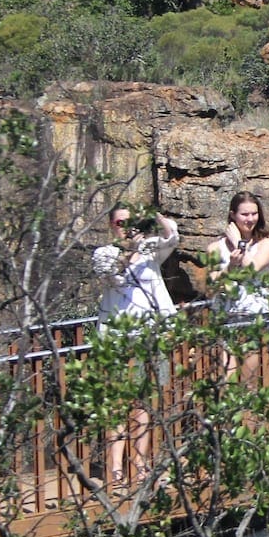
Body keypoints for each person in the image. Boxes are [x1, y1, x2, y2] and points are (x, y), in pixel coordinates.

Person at [92, 204, 179, 484]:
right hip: (116, 339)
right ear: (111, 225)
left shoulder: (150, 250)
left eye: (130, 223)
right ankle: (115, 468)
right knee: (116, 404)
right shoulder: (103, 254)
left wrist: (153, 216)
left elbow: (172, 237)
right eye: (120, 223)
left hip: (148, 336)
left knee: (143, 404)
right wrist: (131, 250)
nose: (126, 228)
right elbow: (113, 276)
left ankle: (140, 465)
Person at [204, 191, 269, 319]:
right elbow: (211, 289)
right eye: (244, 214)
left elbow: (252, 269)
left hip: (256, 314)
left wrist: (239, 243)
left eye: (254, 214)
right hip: (224, 316)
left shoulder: (267, 241)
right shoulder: (215, 248)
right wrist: (230, 267)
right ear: (233, 215)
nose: (250, 219)